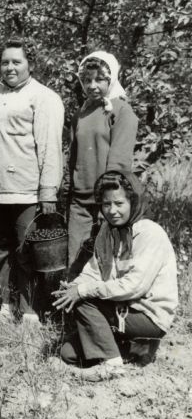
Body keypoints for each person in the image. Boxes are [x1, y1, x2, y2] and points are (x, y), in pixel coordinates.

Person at [0, 37, 65, 324]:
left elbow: (50, 146)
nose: (10, 67)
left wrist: (48, 191)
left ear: (30, 64)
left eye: (17, 61)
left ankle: (29, 311)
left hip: (26, 190)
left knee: (27, 251)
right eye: (5, 62)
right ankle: (3, 306)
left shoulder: (44, 98)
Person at [53, 171, 177, 378]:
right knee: (68, 353)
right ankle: (136, 348)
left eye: (119, 204)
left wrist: (82, 292)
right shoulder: (108, 232)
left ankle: (112, 365)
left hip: (146, 314)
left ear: (133, 201)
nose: (112, 211)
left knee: (85, 299)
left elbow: (134, 286)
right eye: (106, 204)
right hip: (122, 308)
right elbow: (94, 271)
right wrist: (73, 288)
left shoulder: (149, 233)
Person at [66, 51, 138, 273]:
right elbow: (73, 155)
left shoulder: (121, 110)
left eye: (99, 79)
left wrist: (108, 201)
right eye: (87, 80)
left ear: (111, 79)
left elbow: (119, 161)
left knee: (106, 259)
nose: (92, 85)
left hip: (107, 199)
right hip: (80, 199)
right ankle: (73, 305)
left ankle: (105, 305)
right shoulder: (82, 112)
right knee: (75, 256)